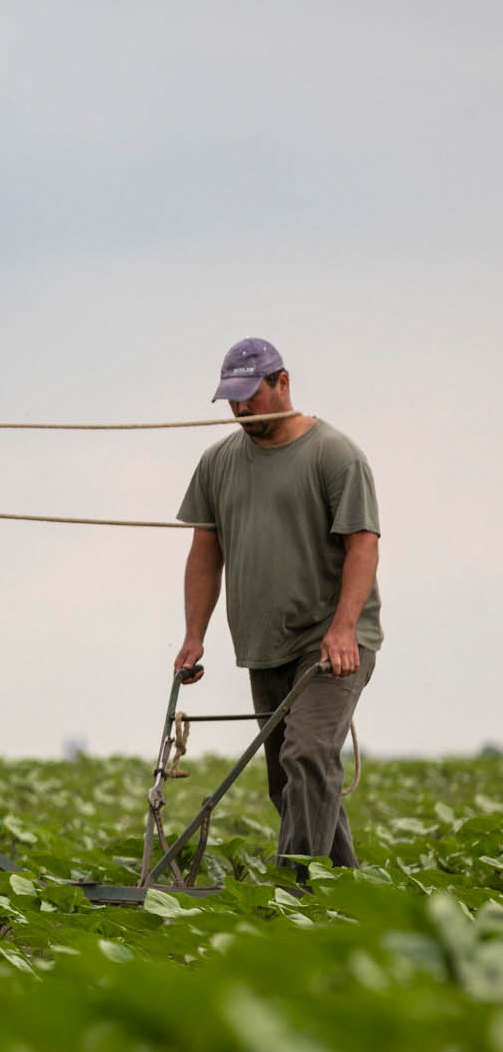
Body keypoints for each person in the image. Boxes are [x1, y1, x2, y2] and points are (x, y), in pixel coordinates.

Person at [172, 337, 382, 880]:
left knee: (307, 757)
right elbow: (204, 552)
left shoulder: (335, 454)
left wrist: (342, 629)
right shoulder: (217, 462)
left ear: (281, 383)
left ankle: (290, 893)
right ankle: (346, 893)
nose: (241, 408)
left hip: (331, 640)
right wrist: (195, 636)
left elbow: (363, 544)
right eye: (232, 399)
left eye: (250, 395)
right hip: (263, 644)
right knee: (288, 783)